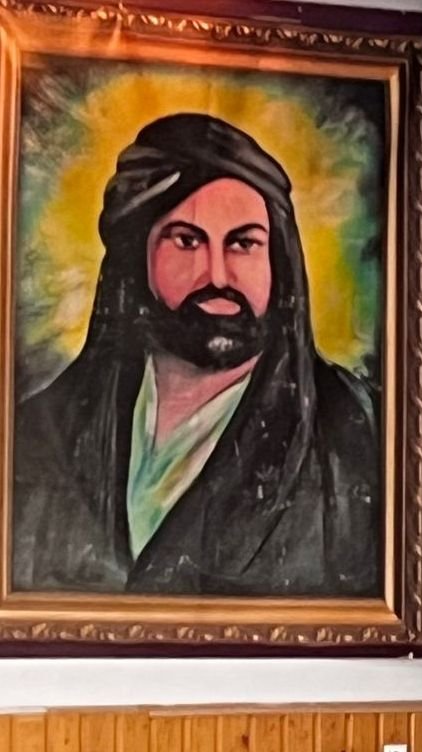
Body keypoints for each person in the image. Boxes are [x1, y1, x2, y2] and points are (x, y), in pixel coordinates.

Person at [10, 113, 379, 597]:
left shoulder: (357, 433)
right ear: (136, 256)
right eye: (186, 240)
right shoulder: (42, 431)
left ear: (278, 261)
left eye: (244, 244)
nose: (218, 276)